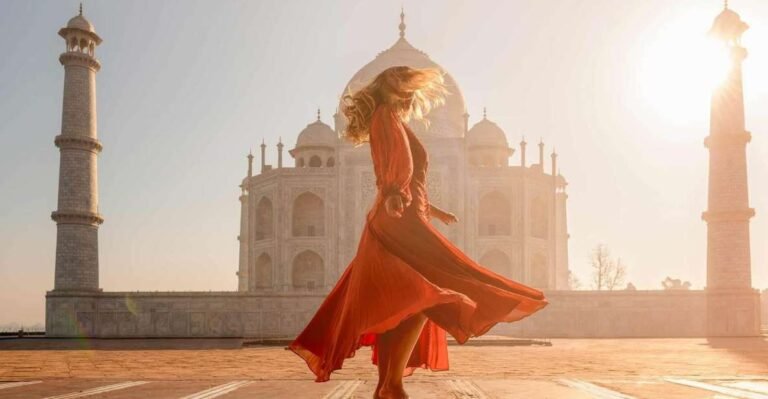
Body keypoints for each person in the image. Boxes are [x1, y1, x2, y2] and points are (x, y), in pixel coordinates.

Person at [288, 65, 548, 399]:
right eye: (404, 86)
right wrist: (395, 192)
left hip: (408, 215)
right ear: (389, 88)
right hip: (399, 219)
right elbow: (391, 164)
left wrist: (431, 209)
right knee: (424, 294)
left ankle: (388, 386)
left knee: (405, 300)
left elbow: (410, 174)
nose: (410, 94)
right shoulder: (384, 118)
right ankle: (392, 385)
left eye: (412, 88)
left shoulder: (393, 120)